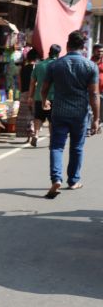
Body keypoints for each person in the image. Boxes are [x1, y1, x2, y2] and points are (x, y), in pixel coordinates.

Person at [40, 30, 100, 198]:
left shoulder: (55, 65)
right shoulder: (90, 66)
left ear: (67, 45)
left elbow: (44, 88)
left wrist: (44, 100)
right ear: (83, 47)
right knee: (77, 147)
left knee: (57, 146)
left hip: (59, 111)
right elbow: (94, 94)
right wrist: (96, 118)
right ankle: (73, 181)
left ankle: (56, 179)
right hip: (80, 114)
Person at [29, 44, 60, 147]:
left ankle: (36, 135)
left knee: (38, 117)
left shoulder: (39, 65)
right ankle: (51, 139)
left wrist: (30, 96)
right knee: (52, 119)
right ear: (58, 54)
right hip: (54, 97)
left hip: (39, 96)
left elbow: (32, 82)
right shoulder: (59, 65)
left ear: (49, 52)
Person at [18, 49, 39, 142]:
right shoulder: (36, 68)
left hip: (23, 92)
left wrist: (21, 91)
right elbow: (36, 82)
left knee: (25, 114)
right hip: (34, 93)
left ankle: (28, 136)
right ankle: (33, 131)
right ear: (36, 58)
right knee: (34, 113)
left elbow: (19, 82)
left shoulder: (22, 68)